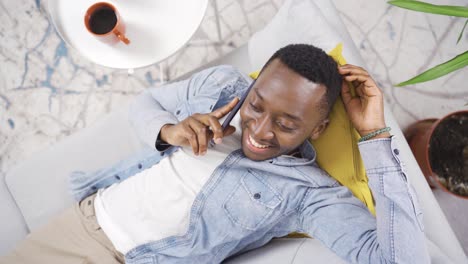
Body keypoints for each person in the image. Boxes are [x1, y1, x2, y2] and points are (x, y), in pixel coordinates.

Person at [1, 44, 429, 264]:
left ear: (316, 129)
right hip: (82, 225)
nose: (258, 130)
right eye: (257, 105)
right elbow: (144, 105)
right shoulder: (222, 87)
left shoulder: (308, 194)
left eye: (286, 124)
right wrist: (171, 131)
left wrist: (373, 133)